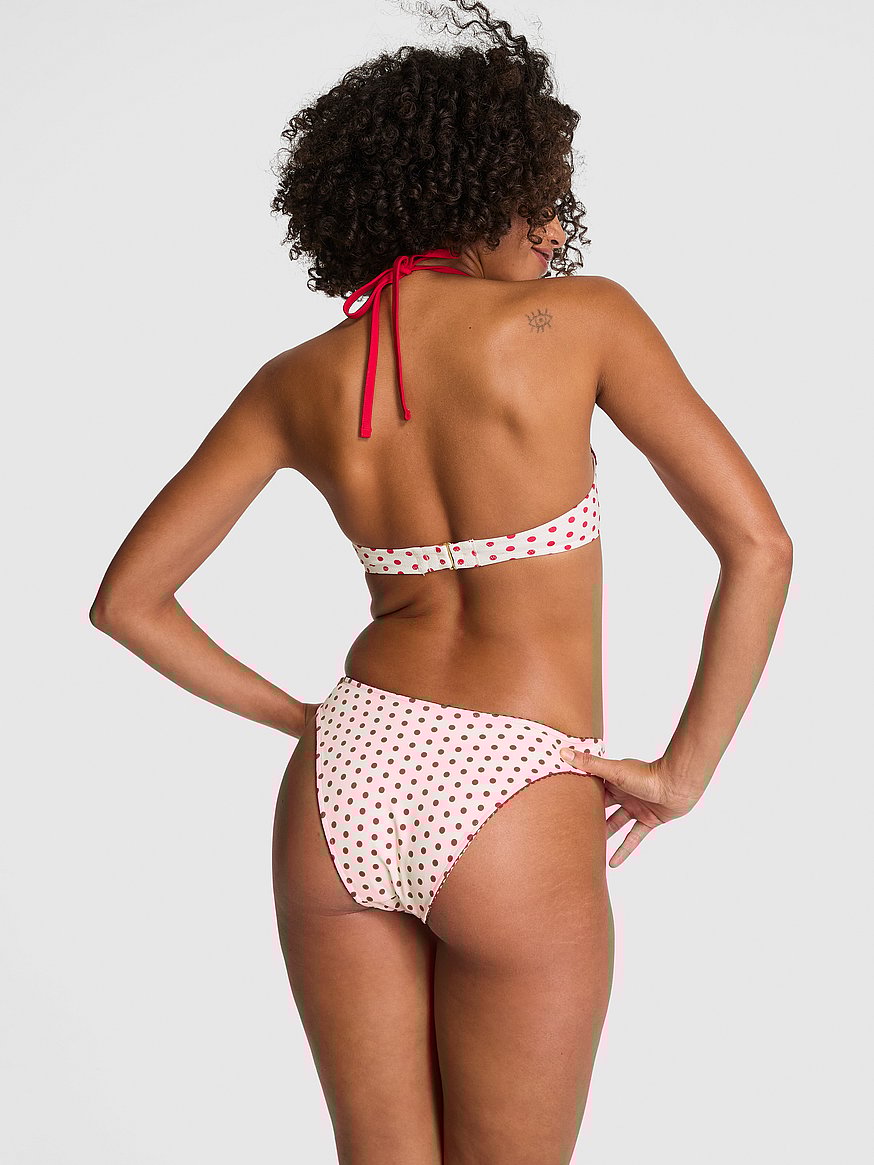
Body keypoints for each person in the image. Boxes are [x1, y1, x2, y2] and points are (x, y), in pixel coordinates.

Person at [89, 2, 792, 1161]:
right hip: (516, 782)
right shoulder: (584, 320)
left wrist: (306, 721)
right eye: (540, 199)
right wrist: (681, 773)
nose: (554, 230)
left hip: (344, 777)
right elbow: (759, 545)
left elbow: (129, 602)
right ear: (475, 189)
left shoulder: (298, 378)